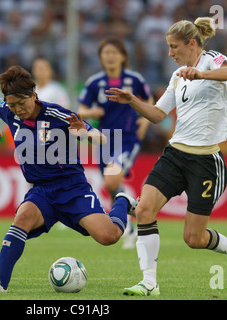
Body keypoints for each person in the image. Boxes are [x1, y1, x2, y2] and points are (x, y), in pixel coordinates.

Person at [0, 47, 137, 293]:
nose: (17, 109)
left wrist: (84, 133)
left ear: (33, 95)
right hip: (41, 191)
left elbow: (101, 139)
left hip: (72, 188)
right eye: (12, 105)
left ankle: (122, 200)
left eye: (21, 103)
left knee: (109, 237)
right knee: (21, 217)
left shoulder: (58, 114)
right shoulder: (9, 110)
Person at [106, 17, 227, 296]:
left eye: (173, 47)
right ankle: (149, 283)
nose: (170, 53)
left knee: (193, 239)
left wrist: (201, 74)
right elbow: (158, 115)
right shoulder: (177, 75)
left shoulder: (211, 60)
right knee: (145, 210)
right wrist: (132, 100)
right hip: (175, 154)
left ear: (191, 44)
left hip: (206, 162)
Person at [78, 36, 153, 249]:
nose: (110, 57)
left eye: (114, 53)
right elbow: (81, 109)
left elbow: (149, 100)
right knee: (110, 186)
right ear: (101, 57)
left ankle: (128, 214)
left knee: (111, 180)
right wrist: (92, 112)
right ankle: (127, 225)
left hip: (127, 138)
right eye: (106, 53)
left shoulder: (134, 79)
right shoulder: (94, 82)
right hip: (103, 140)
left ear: (123, 56)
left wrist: (145, 123)